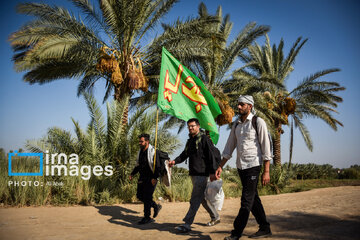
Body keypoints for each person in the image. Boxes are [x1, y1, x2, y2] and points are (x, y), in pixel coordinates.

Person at [215, 95, 272, 240]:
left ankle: (236, 233)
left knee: (246, 201)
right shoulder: (236, 125)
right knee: (253, 199)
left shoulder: (258, 122)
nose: (239, 107)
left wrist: (266, 171)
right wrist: (221, 166)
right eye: (238, 104)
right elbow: (229, 147)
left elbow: (266, 147)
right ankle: (264, 227)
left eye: (242, 105)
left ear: (250, 106)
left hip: (254, 165)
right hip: (241, 167)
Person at [168, 118, 220, 233]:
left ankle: (187, 224)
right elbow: (184, 154)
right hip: (193, 173)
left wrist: (212, 172)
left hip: (202, 174)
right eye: (189, 126)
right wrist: (174, 162)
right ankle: (215, 216)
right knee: (201, 198)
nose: (191, 128)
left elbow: (211, 155)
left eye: (193, 126)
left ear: (198, 126)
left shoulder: (204, 139)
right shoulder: (190, 141)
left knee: (195, 199)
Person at [130, 133, 163, 225]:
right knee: (140, 196)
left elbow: (158, 166)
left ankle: (147, 217)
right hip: (142, 177)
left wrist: (155, 178)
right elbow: (138, 165)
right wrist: (132, 173)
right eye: (139, 141)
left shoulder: (153, 152)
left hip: (151, 178)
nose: (140, 143)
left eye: (141, 141)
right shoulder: (140, 152)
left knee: (147, 197)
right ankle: (155, 206)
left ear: (147, 142)